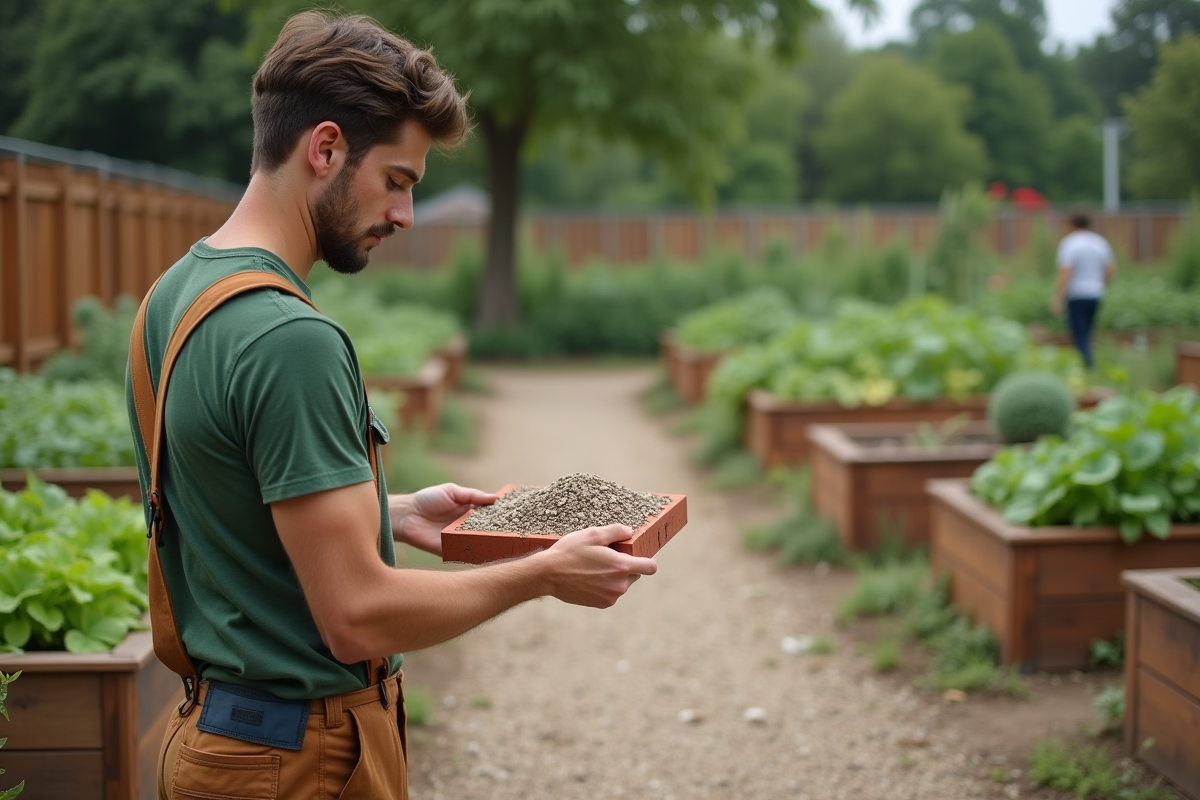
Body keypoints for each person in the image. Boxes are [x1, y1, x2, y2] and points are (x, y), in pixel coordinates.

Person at [127, 12, 657, 800]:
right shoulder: (291, 340)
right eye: (398, 181)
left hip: (212, 744)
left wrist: (391, 511)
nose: (406, 216)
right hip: (297, 764)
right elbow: (357, 616)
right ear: (325, 149)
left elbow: (224, 503)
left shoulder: (173, 297)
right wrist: (542, 573)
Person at [1051, 210, 1115, 369]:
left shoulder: (1070, 243)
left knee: (1079, 334)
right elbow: (1110, 269)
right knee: (1087, 332)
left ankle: (1087, 367)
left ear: (1071, 224)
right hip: (1095, 293)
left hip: (1077, 294)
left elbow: (1066, 272)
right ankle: (1087, 365)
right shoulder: (1099, 242)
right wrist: (1101, 284)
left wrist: (1058, 297)